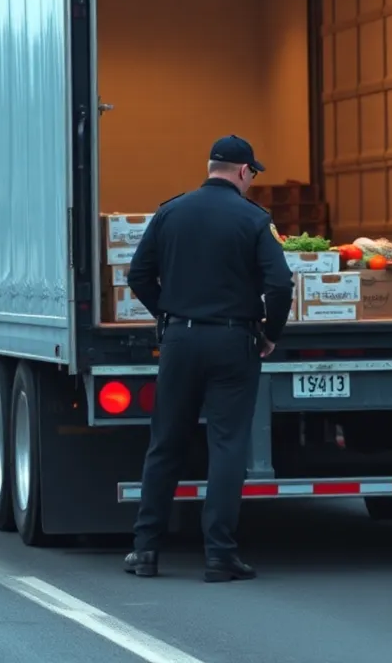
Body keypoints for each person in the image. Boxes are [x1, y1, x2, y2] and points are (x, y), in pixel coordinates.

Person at [123, 135, 294, 583]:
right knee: (227, 446)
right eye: (252, 175)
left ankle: (145, 551)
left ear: (210, 166)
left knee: (165, 445)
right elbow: (280, 284)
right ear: (242, 172)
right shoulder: (254, 220)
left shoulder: (170, 212)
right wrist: (269, 333)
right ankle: (219, 555)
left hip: (179, 339)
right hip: (233, 342)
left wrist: (167, 311)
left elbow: (137, 274)